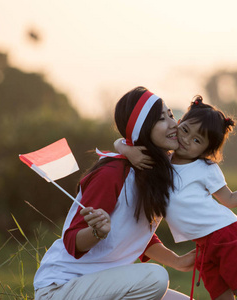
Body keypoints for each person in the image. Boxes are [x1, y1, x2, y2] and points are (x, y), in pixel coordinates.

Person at [116, 96, 237, 300]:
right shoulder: (162, 161)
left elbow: (230, 199)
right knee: (220, 295)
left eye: (197, 140)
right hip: (204, 244)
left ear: (206, 150)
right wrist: (127, 151)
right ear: (179, 123)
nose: (187, 140)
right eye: (186, 130)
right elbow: (119, 141)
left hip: (227, 235)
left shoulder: (205, 168)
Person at [33, 86, 195, 300]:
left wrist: (177, 261)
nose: (174, 124)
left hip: (101, 285)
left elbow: (134, 232)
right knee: (156, 278)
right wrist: (98, 232)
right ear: (143, 128)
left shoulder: (153, 173)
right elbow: (72, 240)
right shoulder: (112, 174)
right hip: (60, 288)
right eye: (161, 119)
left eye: (171, 115)